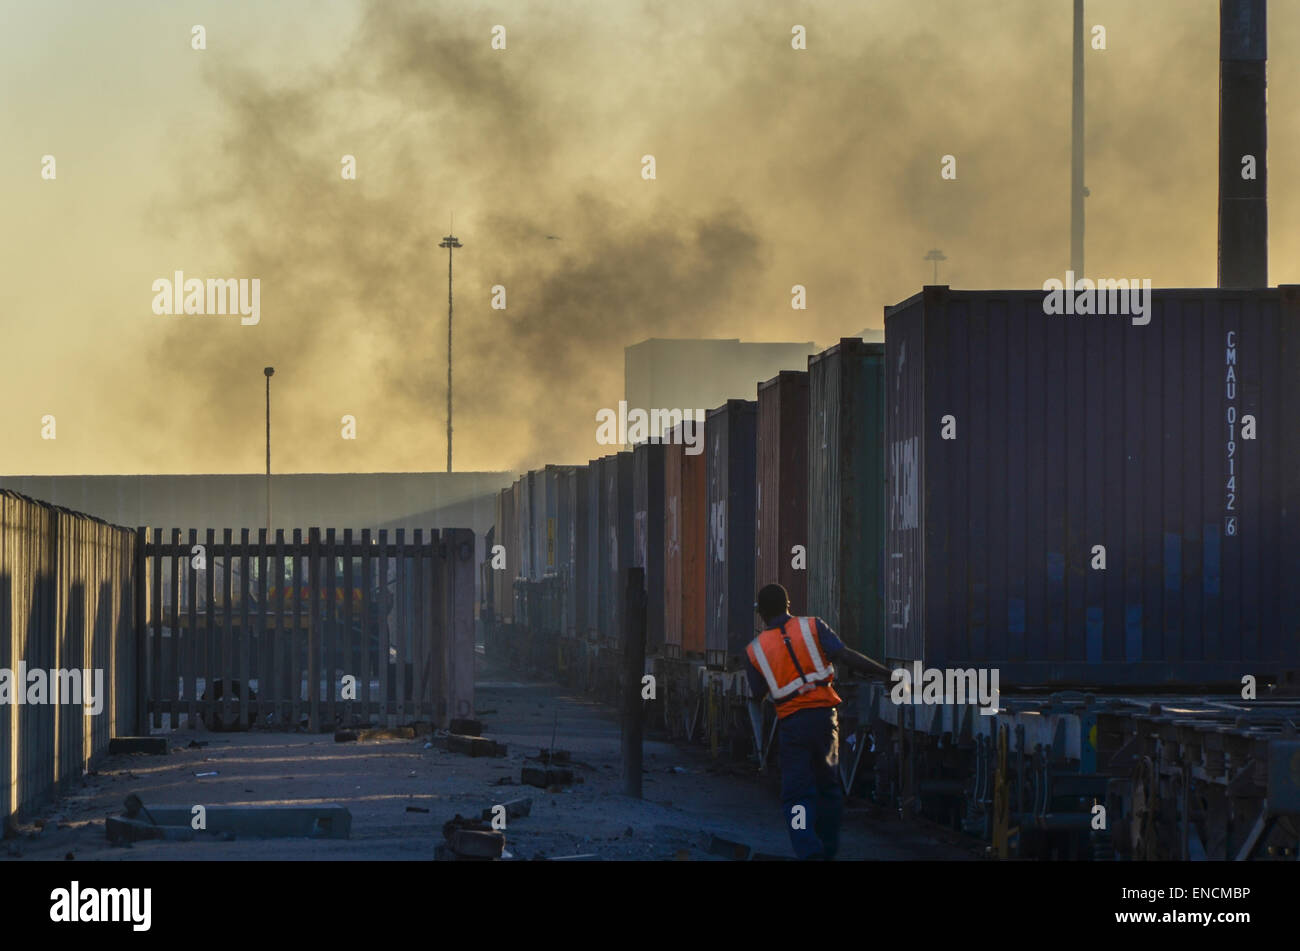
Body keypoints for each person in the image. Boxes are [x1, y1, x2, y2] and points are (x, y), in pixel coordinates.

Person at [745, 582, 891, 860]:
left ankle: (808, 850)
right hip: (825, 720)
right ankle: (828, 849)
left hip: (792, 725)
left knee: (796, 795)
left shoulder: (754, 650)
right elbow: (846, 655)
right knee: (828, 789)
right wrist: (887, 674)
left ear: (761, 613)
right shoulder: (812, 626)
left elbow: (756, 694)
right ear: (789, 605)